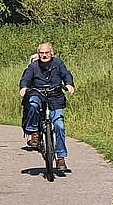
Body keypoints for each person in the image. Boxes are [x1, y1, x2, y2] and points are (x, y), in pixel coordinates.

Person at [18, 42, 76, 171]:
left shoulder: (58, 64)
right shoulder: (33, 66)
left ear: (52, 53)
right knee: (32, 103)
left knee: (59, 126)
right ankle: (34, 132)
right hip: (37, 93)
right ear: (38, 54)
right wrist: (24, 87)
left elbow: (66, 74)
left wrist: (69, 84)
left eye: (46, 53)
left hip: (55, 96)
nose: (44, 55)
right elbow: (26, 78)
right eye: (41, 53)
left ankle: (60, 157)